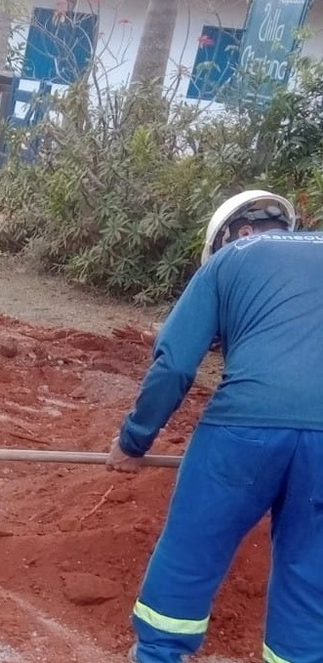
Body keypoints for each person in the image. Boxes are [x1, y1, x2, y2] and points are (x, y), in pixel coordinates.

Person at [105, 190, 323, 663]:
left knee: (193, 545)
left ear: (237, 232)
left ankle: (161, 653)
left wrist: (133, 441)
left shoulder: (233, 258)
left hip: (246, 425)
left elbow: (174, 366)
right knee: (312, 574)